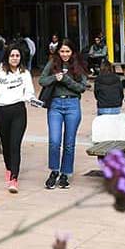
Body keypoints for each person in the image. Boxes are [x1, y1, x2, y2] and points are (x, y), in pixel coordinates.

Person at [0, 44, 35, 193]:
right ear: (7, 56)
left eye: (17, 56)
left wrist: (28, 98)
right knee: (5, 145)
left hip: (18, 111)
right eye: (12, 55)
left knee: (15, 145)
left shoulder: (25, 73)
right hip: (2, 111)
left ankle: (14, 178)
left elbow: (30, 92)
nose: (14, 58)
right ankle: (8, 168)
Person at [39, 38, 87, 189]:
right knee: (54, 141)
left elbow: (82, 87)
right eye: (62, 51)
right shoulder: (53, 63)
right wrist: (55, 77)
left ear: (72, 52)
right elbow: (42, 80)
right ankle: (54, 171)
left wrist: (66, 80)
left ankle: (65, 173)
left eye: (67, 51)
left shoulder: (78, 65)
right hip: (55, 104)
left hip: (72, 104)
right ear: (58, 51)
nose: (64, 54)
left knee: (69, 143)